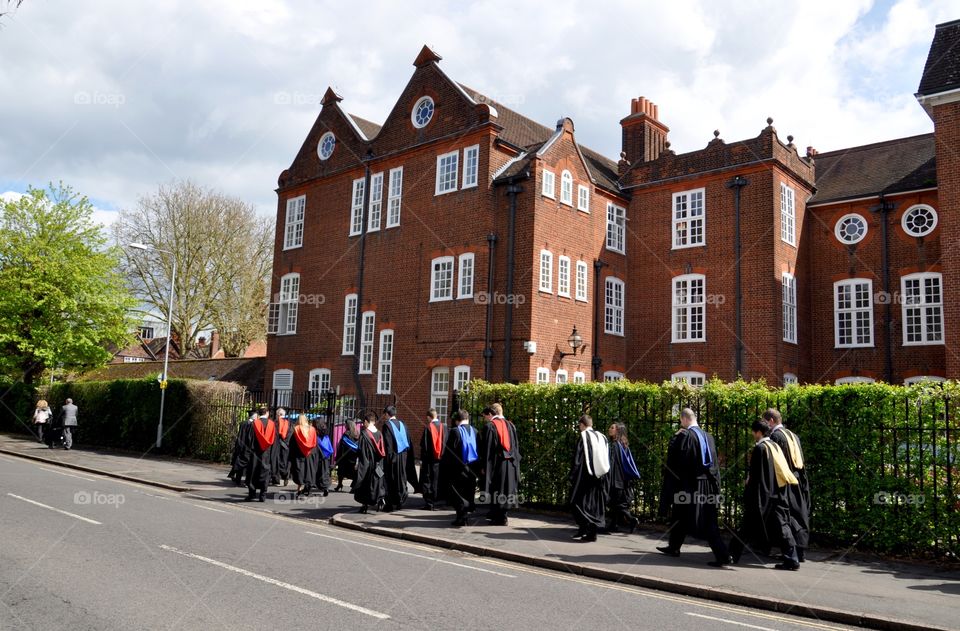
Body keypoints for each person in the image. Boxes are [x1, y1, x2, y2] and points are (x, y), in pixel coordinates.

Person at [657, 408, 731, 566]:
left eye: (680, 421)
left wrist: (675, 438)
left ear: (684, 419)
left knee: (707, 521)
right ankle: (674, 547)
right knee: (680, 515)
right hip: (707, 484)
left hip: (690, 485)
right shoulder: (708, 436)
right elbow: (714, 464)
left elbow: (678, 462)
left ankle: (723, 556)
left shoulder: (685, 436)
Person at [729, 420, 801, 571]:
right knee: (782, 527)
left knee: (746, 527)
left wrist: (749, 492)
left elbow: (756, 476)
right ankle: (792, 559)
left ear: (758, 432)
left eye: (753, 432)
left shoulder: (760, 448)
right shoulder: (775, 446)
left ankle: (731, 555)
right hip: (778, 493)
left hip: (762, 496)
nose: (752, 434)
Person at [765, 408, 811, 562]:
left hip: (784, 482)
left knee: (786, 516)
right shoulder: (793, 435)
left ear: (771, 421)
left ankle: (790, 553)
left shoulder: (775, 437)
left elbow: (776, 463)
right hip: (798, 480)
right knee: (798, 515)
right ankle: (800, 551)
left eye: (765, 422)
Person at [569, 415, 610, 542]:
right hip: (600, 478)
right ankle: (590, 533)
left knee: (577, 503)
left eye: (579, 425)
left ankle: (585, 528)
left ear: (582, 424)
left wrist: (572, 475)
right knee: (594, 506)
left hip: (585, 478)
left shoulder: (583, 437)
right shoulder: (602, 437)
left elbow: (578, 459)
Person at [480, 403, 521, 526]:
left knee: (496, 489)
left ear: (492, 412)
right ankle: (502, 515)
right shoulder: (511, 425)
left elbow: (487, 450)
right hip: (510, 464)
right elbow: (516, 447)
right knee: (506, 490)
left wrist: (484, 466)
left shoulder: (490, 426)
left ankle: (498, 517)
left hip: (497, 464)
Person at [442, 409, 480, 527]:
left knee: (458, 493)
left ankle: (461, 518)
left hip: (458, 469)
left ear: (457, 420)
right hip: (472, 467)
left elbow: (449, 452)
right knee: (469, 492)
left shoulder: (455, 431)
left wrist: (445, 466)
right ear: (468, 418)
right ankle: (465, 517)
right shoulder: (475, 431)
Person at [381, 405, 419, 511]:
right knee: (401, 478)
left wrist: (387, 460)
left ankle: (389, 504)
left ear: (387, 414)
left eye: (384, 414)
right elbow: (409, 441)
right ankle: (400, 502)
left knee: (391, 479)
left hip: (392, 457)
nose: (384, 417)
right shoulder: (403, 424)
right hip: (404, 456)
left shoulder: (387, 425)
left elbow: (387, 445)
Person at [605, 422, 640, 534]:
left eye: (612, 428)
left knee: (618, 504)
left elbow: (612, 464)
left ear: (617, 431)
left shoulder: (615, 445)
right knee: (616, 504)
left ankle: (632, 519)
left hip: (615, 480)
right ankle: (613, 525)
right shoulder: (623, 445)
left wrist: (608, 478)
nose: (609, 429)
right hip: (623, 480)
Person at [354, 411, 387, 513]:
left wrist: (358, 464)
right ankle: (380, 499)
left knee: (366, 485)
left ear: (366, 421)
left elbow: (362, 452)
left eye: (363, 422)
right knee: (377, 483)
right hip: (378, 464)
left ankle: (364, 506)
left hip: (368, 464)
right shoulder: (379, 434)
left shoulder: (364, 434)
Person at [244, 406, 276, 502]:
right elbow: (274, 442)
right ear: (267, 413)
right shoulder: (272, 424)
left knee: (253, 472)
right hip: (266, 453)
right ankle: (262, 495)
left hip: (254, 453)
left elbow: (249, 439)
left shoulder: (254, 424)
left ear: (259, 413)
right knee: (264, 473)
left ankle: (252, 494)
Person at [418, 408, 447, 510]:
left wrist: (422, 460)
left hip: (429, 460)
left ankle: (429, 503)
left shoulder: (428, 427)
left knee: (428, 480)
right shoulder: (444, 427)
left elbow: (424, 446)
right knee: (438, 479)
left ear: (428, 417)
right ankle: (438, 500)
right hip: (441, 459)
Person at [289, 414, 318, 497]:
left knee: (300, 471)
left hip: (299, 454)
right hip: (310, 453)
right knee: (308, 471)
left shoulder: (296, 429)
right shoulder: (312, 429)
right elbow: (315, 442)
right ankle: (307, 489)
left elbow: (292, 443)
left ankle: (299, 488)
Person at [228, 412, 255, 486]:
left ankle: (236, 478)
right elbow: (249, 437)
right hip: (247, 447)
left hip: (240, 445)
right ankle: (245, 480)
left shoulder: (243, 423)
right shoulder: (252, 425)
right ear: (254, 416)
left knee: (240, 461)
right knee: (246, 463)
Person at [334, 418, 361, 492]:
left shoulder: (346, 434)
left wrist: (338, 457)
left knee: (341, 471)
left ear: (348, 425)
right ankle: (353, 487)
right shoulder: (357, 434)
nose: (345, 425)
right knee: (352, 472)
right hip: (353, 457)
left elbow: (342, 446)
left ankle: (340, 484)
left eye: (345, 424)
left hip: (345, 457)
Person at [270, 408, 292, 486]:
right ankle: (285, 476)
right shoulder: (289, 423)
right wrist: (286, 443)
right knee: (284, 462)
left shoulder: (274, 423)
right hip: (285, 445)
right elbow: (290, 434)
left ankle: (276, 479)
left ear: (278, 415)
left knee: (275, 462)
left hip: (276, 445)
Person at [315, 418, 334, 496]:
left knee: (318, 470)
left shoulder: (316, 431)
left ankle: (319, 485)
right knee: (325, 471)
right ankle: (326, 487)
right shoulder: (325, 430)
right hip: (326, 454)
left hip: (319, 453)